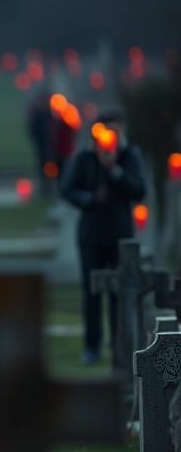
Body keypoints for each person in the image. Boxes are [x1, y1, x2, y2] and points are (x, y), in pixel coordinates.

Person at [60, 112, 147, 366]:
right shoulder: (86, 158)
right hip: (91, 235)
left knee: (119, 294)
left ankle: (120, 344)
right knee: (92, 293)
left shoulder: (130, 156)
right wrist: (88, 199)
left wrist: (115, 172)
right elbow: (67, 189)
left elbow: (139, 190)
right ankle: (92, 346)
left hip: (120, 235)